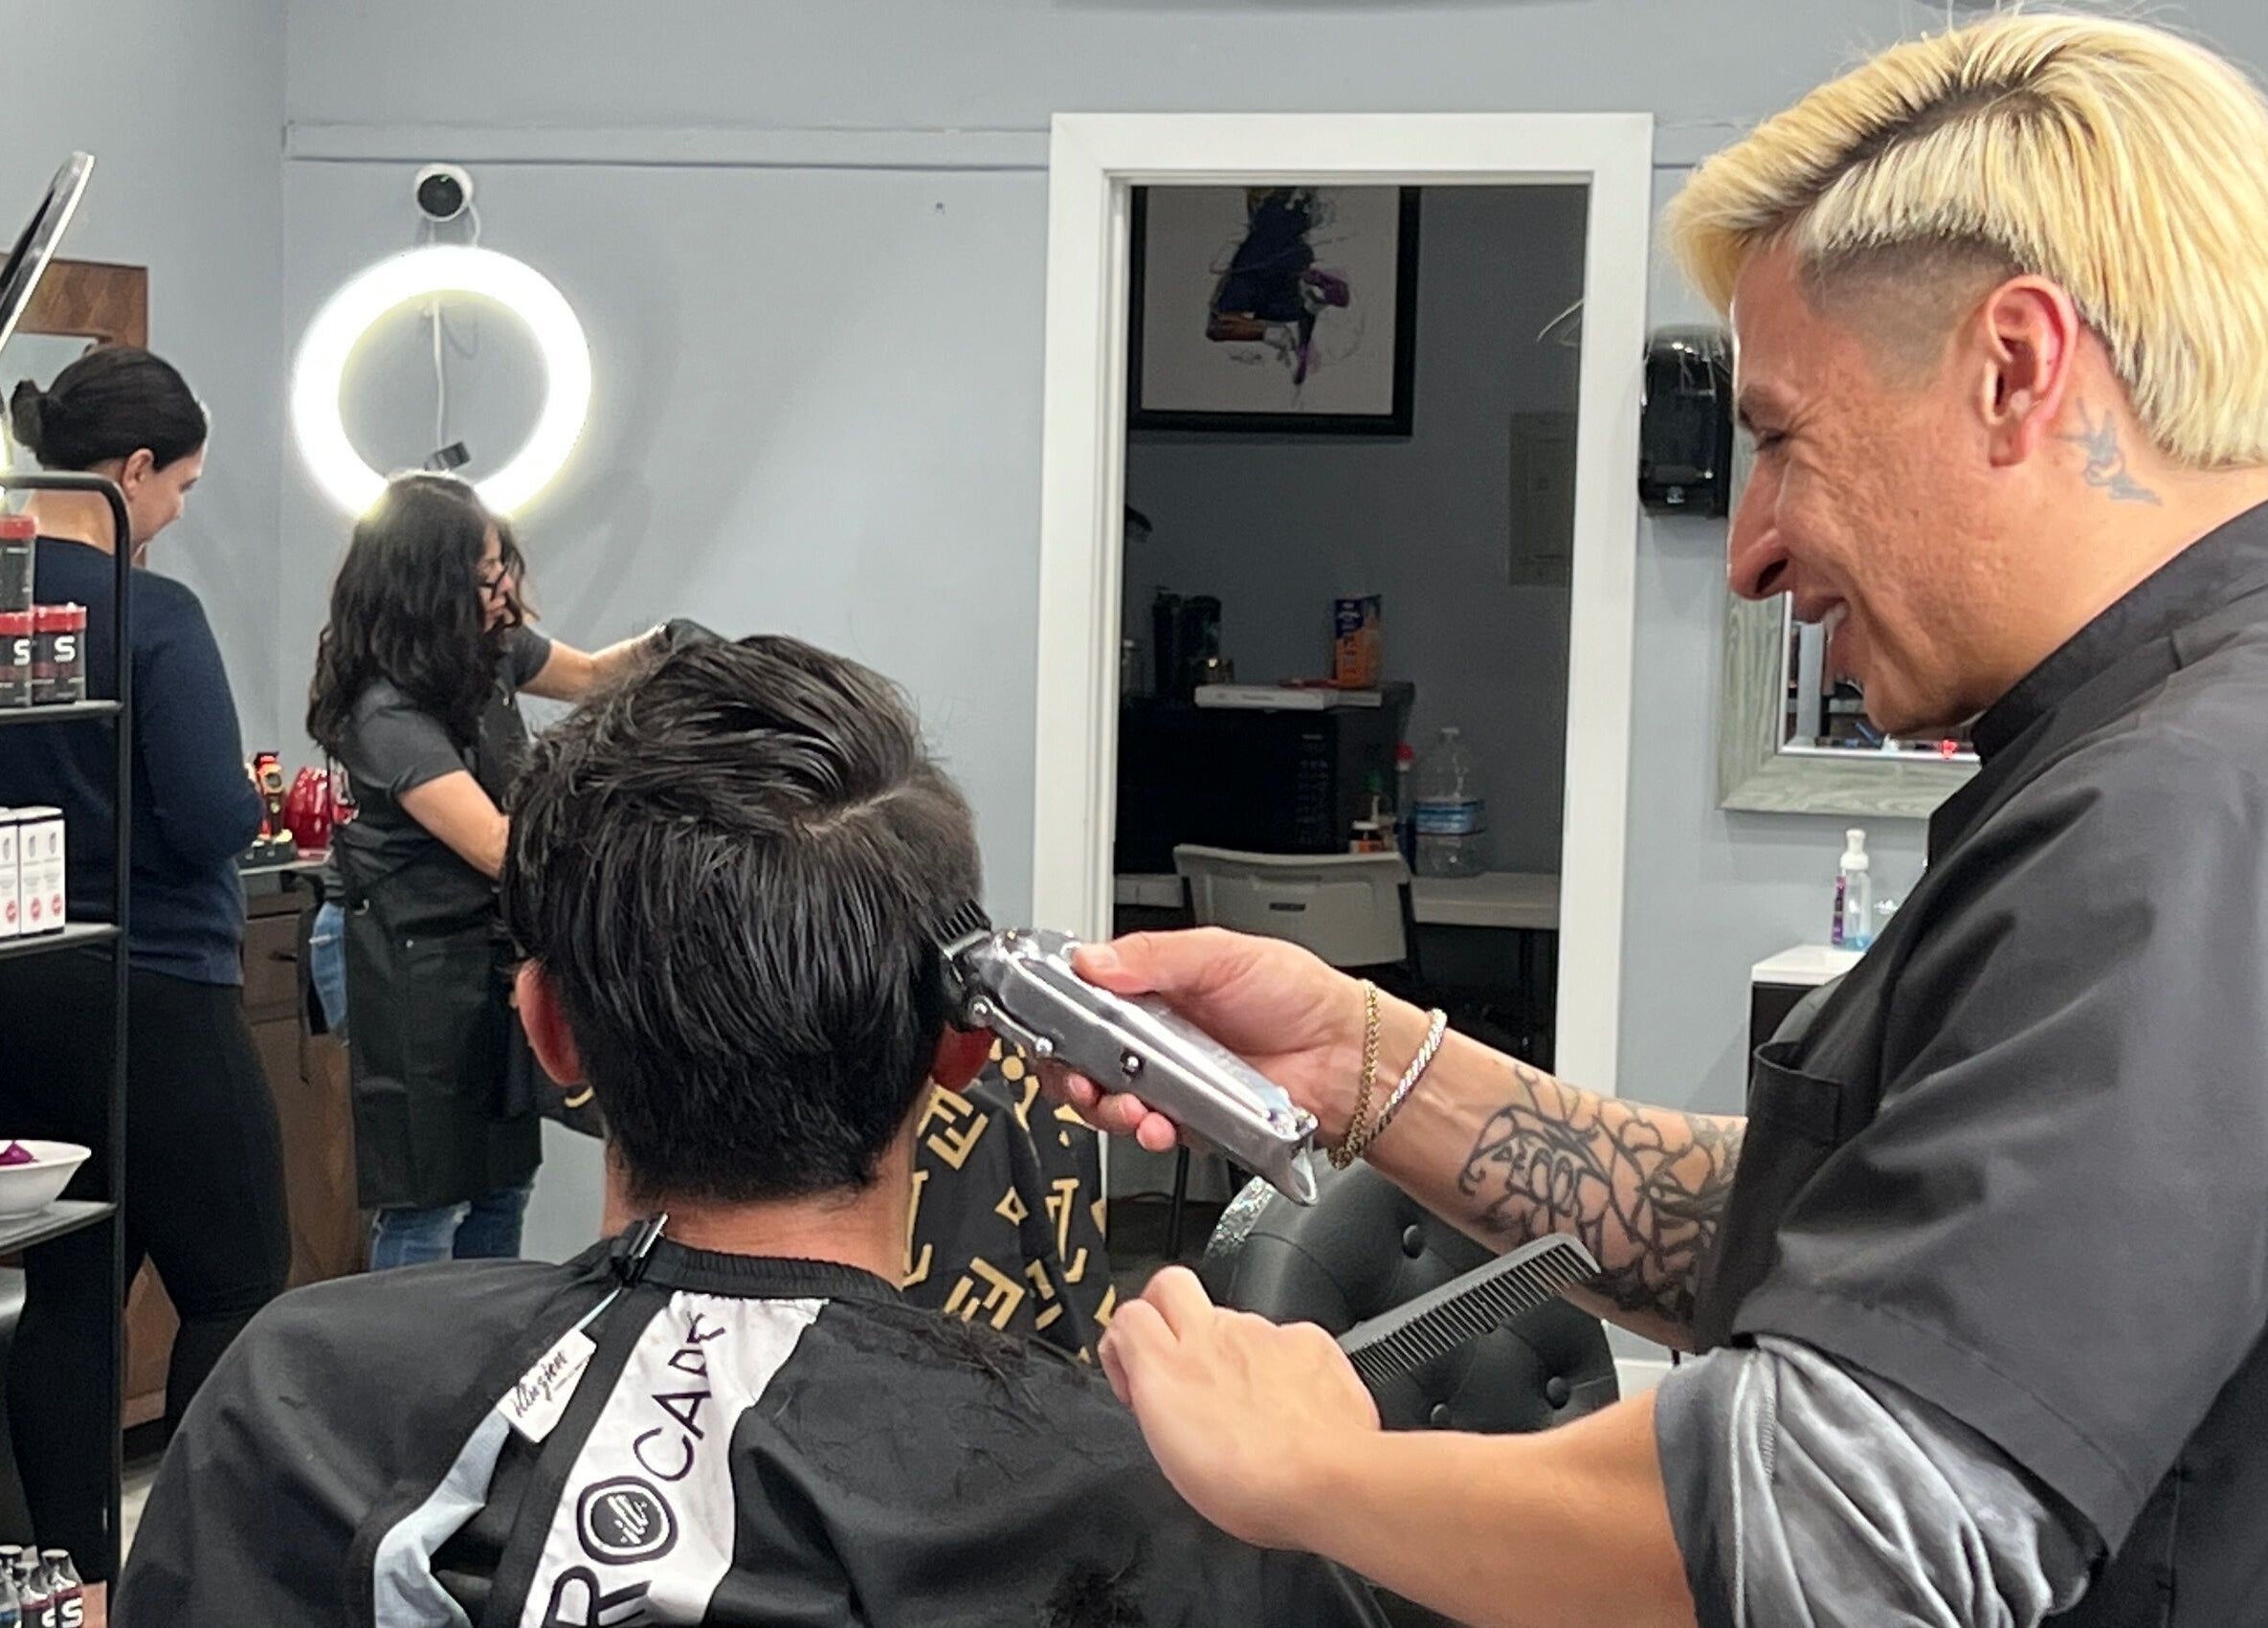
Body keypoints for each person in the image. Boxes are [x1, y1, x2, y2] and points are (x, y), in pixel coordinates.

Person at [1060, 15, 2268, 1627]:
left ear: (2015, 367)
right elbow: (1830, 1232)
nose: (1749, 549)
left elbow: (1844, 1532)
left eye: (1780, 436)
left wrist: (1310, 1472)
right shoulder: (2137, 761)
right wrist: (1361, 1059)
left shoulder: (2189, 805)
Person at [116, 635, 1386, 1626]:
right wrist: (1335, 1491)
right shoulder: (1170, 1497)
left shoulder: (293, 1401)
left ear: (550, 1032)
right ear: (963, 1042)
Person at [0, 346, 285, 1578]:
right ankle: (201, 1565)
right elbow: (215, 817)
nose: (174, 513)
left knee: (72, 1282)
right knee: (238, 1277)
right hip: (157, 980)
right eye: (182, 486)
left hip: (19, 988)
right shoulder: (150, 609)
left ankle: (73, 1575)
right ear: (129, 471)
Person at [307, 474, 663, 1268]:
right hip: (396, 951)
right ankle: (408, 1382)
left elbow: (594, 679)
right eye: (486, 572)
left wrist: (669, 648)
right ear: (430, 585)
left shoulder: (487, 647)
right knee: (430, 1192)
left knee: (504, 1179)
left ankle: (487, 1362)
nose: (506, 588)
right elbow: (497, 847)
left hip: (477, 941)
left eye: (503, 565)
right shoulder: (386, 712)